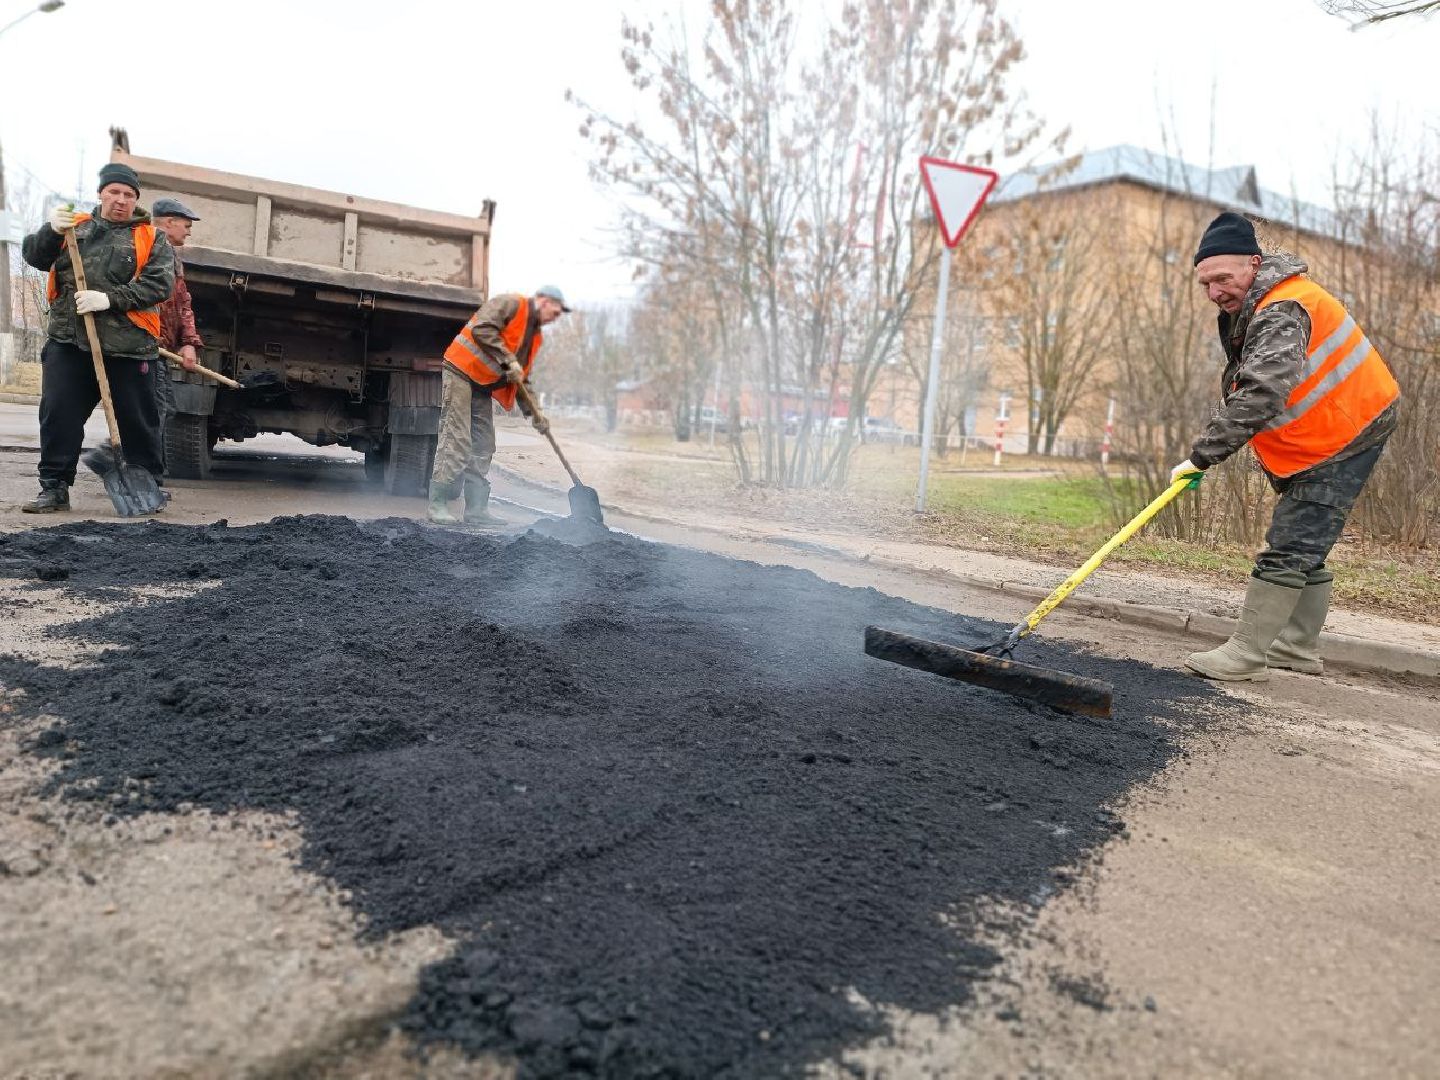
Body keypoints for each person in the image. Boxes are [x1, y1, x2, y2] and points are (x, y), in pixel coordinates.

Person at [1171, 212, 1400, 681]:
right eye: (1205, 284)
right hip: (1321, 434)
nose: (1214, 292)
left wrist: (1200, 457)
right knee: (1306, 543)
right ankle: (1296, 647)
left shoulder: (1283, 307)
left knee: (1289, 545)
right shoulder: (1257, 304)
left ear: (1254, 264)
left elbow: (1260, 392)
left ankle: (1247, 654)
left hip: (1347, 431)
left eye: (1223, 278)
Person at [19, 163, 175, 513]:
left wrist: (110, 300)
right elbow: (34, 256)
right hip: (69, 343)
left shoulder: (152, 238)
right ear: (101, 193)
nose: (121, 200)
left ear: (136, 199)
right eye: (114, 192)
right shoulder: (75, 229)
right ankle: (54, 487)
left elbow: (159, 284)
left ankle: (148, 486)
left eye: (128, 195)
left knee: (139, 421)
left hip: (130, 348)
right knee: (59, 414)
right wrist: (50, 230)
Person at [428, 285, 569, 525]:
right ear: (544, 301)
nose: (554, 319)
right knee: (457, 438)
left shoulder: (534, 336)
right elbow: (483, 330)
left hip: (483, 384)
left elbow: (521, 377)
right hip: (461, 370)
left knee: (484, 444)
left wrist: (537, 415)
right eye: (555, 313)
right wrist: (508, 359)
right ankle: (437, 505)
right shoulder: (511, 304)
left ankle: (476, 510)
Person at [152, 196, 204, 470]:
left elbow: (182, 302)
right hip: (145, 346)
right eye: (186, 224)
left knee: (162, 408)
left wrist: (188, 343)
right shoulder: (146, 249)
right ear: (169, 222)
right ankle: (135, 465)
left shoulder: (171, 255)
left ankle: (145, 468)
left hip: (158, 347)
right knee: (155, 409)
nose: (189, 230)